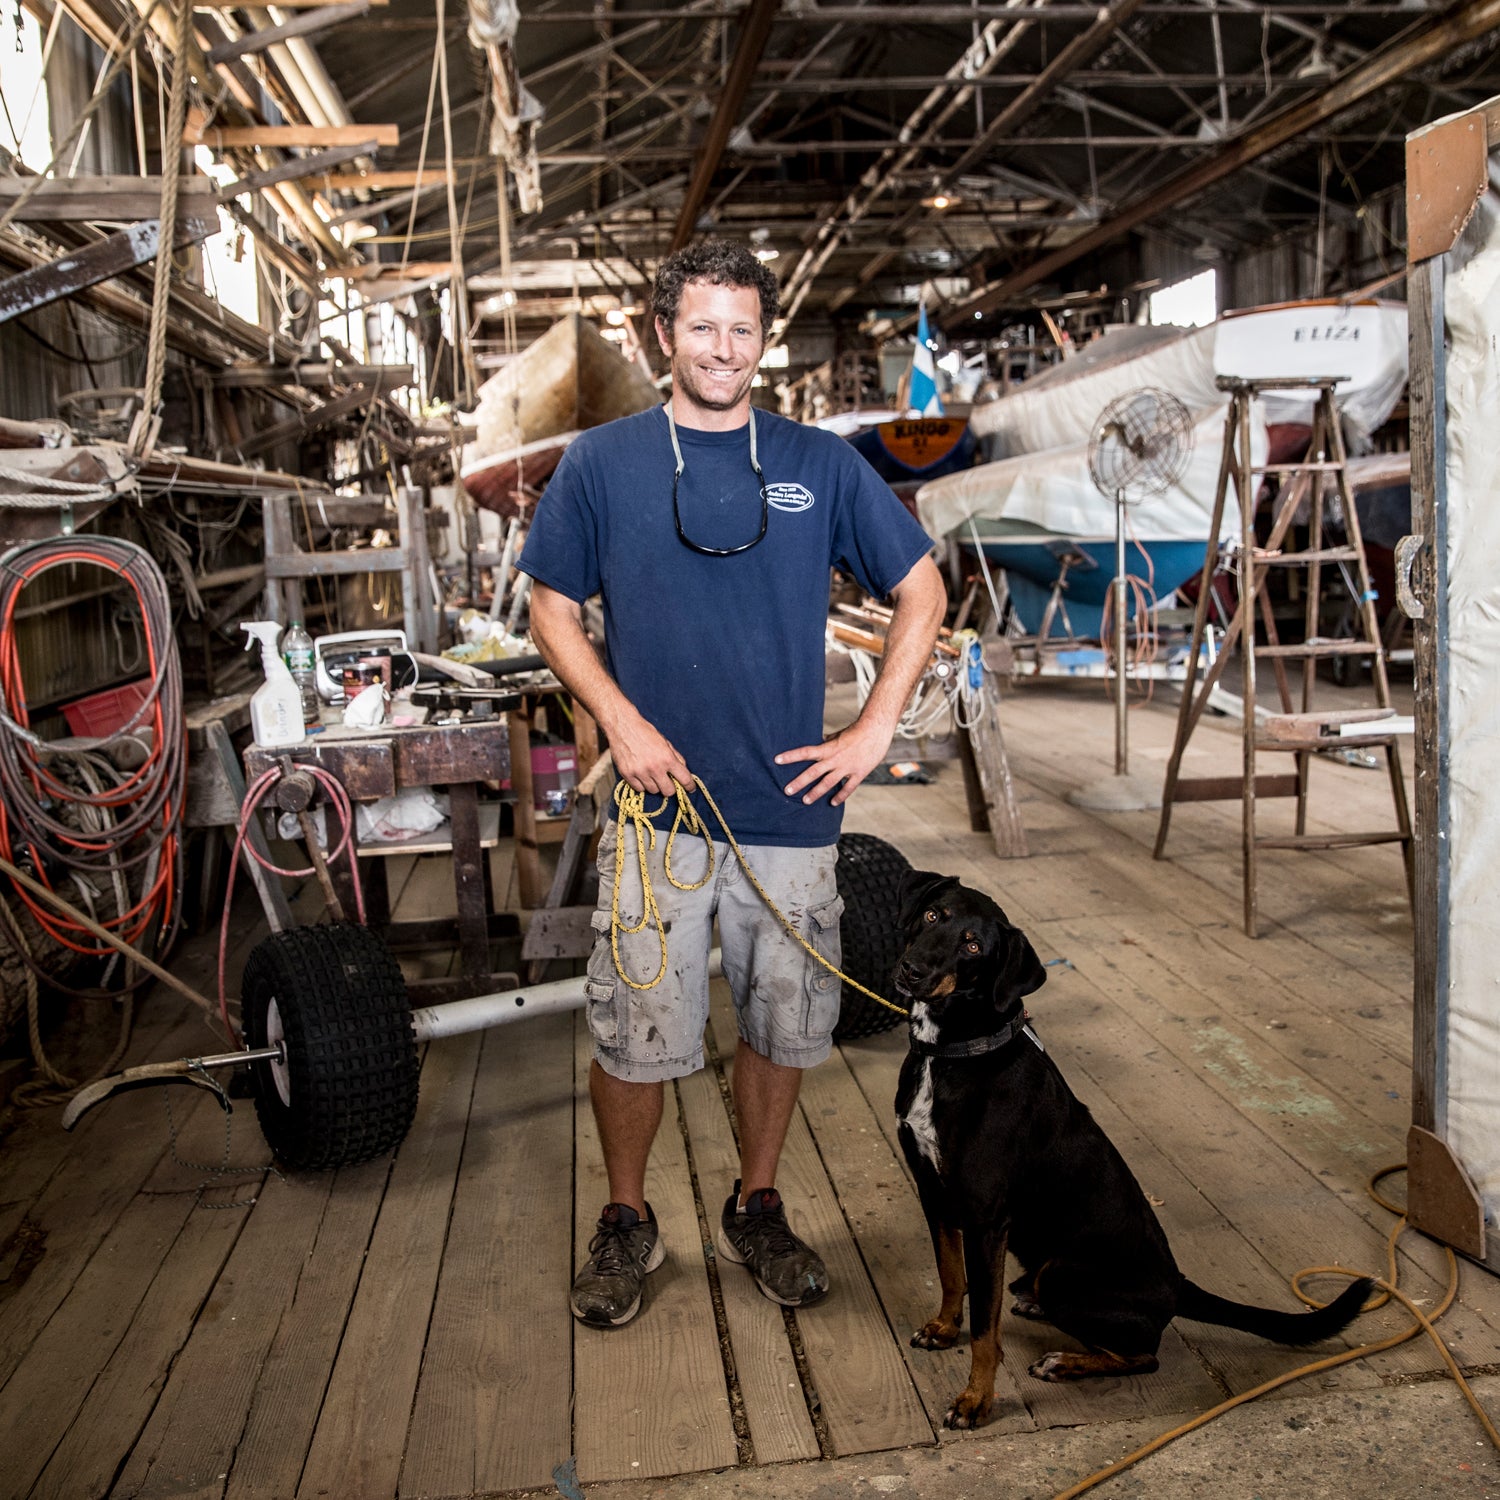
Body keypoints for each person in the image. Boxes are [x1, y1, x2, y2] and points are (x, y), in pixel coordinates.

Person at [520, 237, 946, 1329]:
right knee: (635, 1030)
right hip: (655, 813)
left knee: (783, 1023)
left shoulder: (823, 463)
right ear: (664, 334)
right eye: (702, 327)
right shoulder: (602, 464)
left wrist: (871, 733)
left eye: (743, 330)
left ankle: (756, 1205)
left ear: (766, 339)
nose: (723, 349)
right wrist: (622, 721)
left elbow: (923, 591)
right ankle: (625, 1219)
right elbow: (551, 612)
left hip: (791, 810)